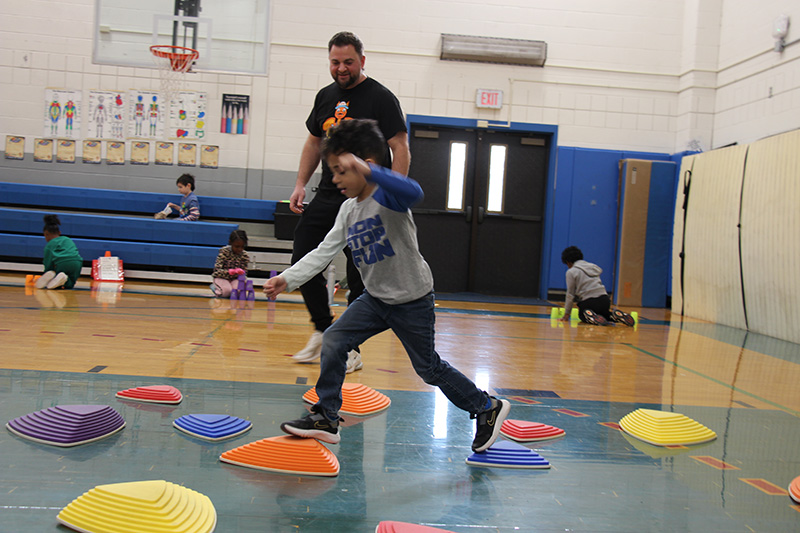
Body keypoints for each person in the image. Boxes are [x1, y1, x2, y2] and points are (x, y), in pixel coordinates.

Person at [264, 119, 510, 453]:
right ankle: (326, 416)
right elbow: (324, 251)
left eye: (341, 170)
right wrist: (287, 278)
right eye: (333, 171)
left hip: (412, 300)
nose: (335, 179)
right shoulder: (348, 210)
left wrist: (369, 169)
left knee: (428, 368)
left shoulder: (389, 197)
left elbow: (414, 191)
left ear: (367, 165)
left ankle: (486, 407)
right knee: (335, 338)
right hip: (375, 300)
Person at [288, 31, 411, 373]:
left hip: (367, 196)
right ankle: (324, 329)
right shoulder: (325, 96)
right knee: (303, 256)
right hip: (330, 193)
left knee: (360, 272)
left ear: (362, 61)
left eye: (348, 62)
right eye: (335, 62)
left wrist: (392, 193)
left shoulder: (381, 98)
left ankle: (350, 348)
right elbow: (314, 143)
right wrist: (300, 183)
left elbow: (399, 146)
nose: (341, 68)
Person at [561, 246, 635, 326]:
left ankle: (590, 316)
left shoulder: (571, 272)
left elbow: (570, 295)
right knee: (605, 315)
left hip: (588, 302)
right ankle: (613, 316)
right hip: (604, 300)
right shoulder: (592, 267)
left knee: (582, 315)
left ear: (568, 262)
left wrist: (566, 314)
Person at [35, 215, 83, 290]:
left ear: (46, 234)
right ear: (59, 232)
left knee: (56, 276)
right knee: (70, 284)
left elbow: (48, 262)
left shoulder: (49, 245)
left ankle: (57, 278)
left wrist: (48, 272)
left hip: (61, 263)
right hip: (77, 262)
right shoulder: (67, 239)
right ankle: (65, 280)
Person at [211, 230, 251, 298]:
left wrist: (242, 274)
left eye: (242, 247)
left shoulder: (245, 256)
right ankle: (215, 287)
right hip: (222, 278)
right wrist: (230, 272)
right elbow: (217, 271)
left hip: (235, 279)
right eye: (237, 246)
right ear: (230, 242)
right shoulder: (224, 252)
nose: (239, 249)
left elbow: (245, 272)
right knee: (226, 292)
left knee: (237, 292)